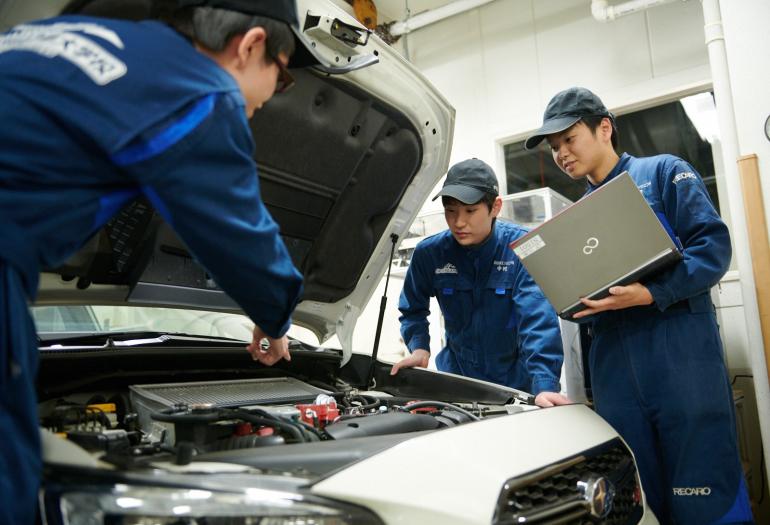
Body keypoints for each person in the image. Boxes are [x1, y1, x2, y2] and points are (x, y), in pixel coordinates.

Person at [0, 1, 309, 523]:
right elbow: (239, 237)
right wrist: (276, 313)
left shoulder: (71, 35)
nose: (265, 101)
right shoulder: (198, 90)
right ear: (251, 45)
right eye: (279, 80)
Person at [525, 86, 753, 524]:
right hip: (616, 381)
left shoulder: (663, 173)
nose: (561, 154)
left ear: (604, 128)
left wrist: (650, 293)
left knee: (705, 495)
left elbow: (712, 249)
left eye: (568, 140)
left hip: (682, 368)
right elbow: (570, 305)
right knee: (638, 505)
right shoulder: (575, 222)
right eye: (555, 148)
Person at [391, 158, 571, 408]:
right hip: (457, 383)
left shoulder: (523, 248)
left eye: (470, 211)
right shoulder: (429, 253)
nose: (458, 222)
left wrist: (545, 386)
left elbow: (538, 320)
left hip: (514, 386)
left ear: (495, 207)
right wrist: (419, 348)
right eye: (450, 211)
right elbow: (412, 309)